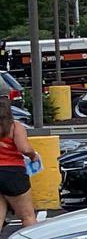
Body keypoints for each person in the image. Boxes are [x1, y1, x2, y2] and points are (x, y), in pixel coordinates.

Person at [0, 98, 39, 230]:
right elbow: (25, 149)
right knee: (27, 215)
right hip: (13, 173)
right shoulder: (15, 126)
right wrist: (34, 156)